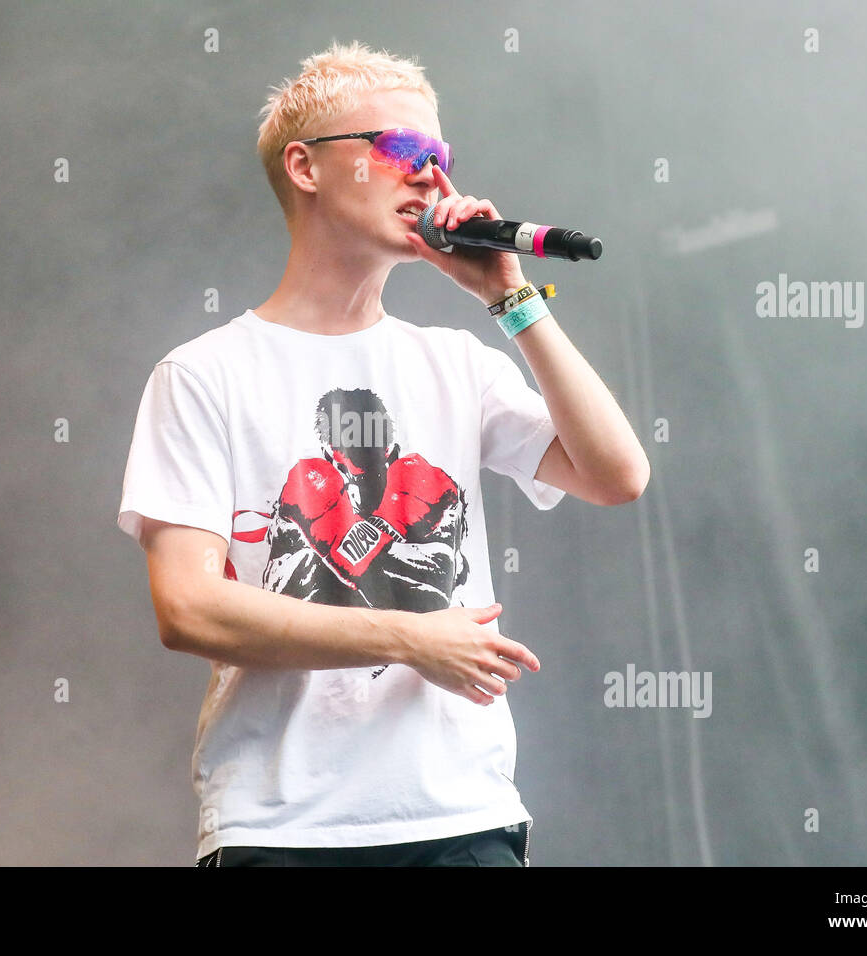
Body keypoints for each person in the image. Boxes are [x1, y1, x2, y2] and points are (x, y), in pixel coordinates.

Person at [116, 40, 649, 867]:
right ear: (306, 167)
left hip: (458, 819)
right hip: (284, 828)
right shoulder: (203, 375)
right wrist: (409, 638)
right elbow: (186, 609)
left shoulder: (455, 363)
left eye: (443, 157)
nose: (432, 177)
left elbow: (619, 476)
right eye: (402, 149)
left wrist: (508, 296)